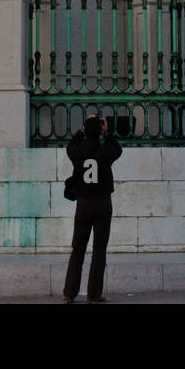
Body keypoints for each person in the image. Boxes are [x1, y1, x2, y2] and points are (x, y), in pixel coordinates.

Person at [63, 114, 122, 304]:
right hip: (103, 203)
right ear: (100, 132)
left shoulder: (77, 152)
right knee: (99, 250)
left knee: (78, 248)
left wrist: (80, 133)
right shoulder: (106, 151)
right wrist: (108, 132)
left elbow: (70, 146)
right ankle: (93, 295)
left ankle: (69, 294)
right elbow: (117, 149)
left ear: (85, 131)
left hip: (83, 204)